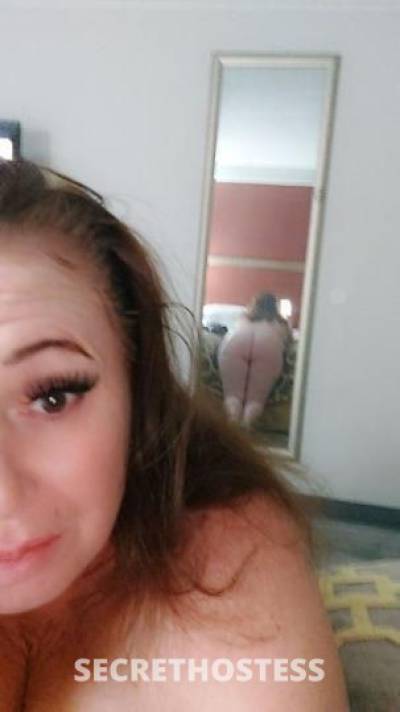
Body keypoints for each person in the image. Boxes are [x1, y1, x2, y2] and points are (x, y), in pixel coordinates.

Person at [0, 159, 349, 711]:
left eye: (53, 396)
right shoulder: (273, 325)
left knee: (238, 398)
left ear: (137, 383)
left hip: (235, 356)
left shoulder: (228, 552)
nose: (4, 496)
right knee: (249, 400)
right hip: (256, 358)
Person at [217, 292, 291, 428]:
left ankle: (232, 424)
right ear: (275, 307)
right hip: (268, 344)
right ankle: (246, 426)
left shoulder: (243, 317)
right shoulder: (281, 323)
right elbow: (288, 341)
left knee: (232, 396)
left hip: (236, 341)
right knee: (255, 400)